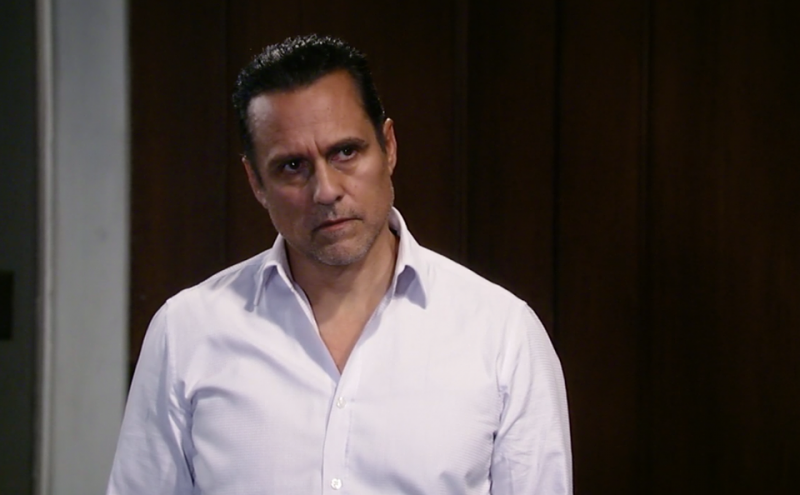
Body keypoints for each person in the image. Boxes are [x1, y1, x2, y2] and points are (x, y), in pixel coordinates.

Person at [106, 34, 572, 494]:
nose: (326, 190)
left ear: (389, 146)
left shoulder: (501, 334)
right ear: (255, 182)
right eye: (292, 166)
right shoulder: (187, 331)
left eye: (345, 152)